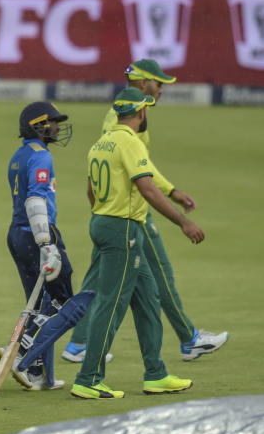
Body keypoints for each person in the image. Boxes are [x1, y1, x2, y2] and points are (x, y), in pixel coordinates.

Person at [63, 59, 228, 364]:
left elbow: (130, 169)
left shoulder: (118, 115)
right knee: (157, 275)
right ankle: (188, 340)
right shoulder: (126, 124)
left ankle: (78, 343)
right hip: (130, 213)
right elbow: (140, 175)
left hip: (110, 212)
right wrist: (178, 214)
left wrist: (172, 191)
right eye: (159, 83)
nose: (162, 90)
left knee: (100, 279)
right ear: (143, 83)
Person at [71, 87, 202, 399]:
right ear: (141, 112)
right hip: (124, 229)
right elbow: (148, 189)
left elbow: (90, 191)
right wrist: (183, 221)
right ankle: (88, 378)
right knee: (111, 303)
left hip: (105, 223)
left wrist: (103, 216)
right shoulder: (130, 143)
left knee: (148, 298)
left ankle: (155, 374)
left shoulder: (99, 143)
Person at [3, 102, 94, 391]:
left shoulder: (19, 155)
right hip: (38, 234)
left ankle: (37, 373)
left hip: (16, 234)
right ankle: (24, 346)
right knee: (63, 300)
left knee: (39, 300)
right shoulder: (42, 157)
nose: (57, 127)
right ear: (38, 125)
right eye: (52, 122)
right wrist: (46, 243)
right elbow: (35, 200)